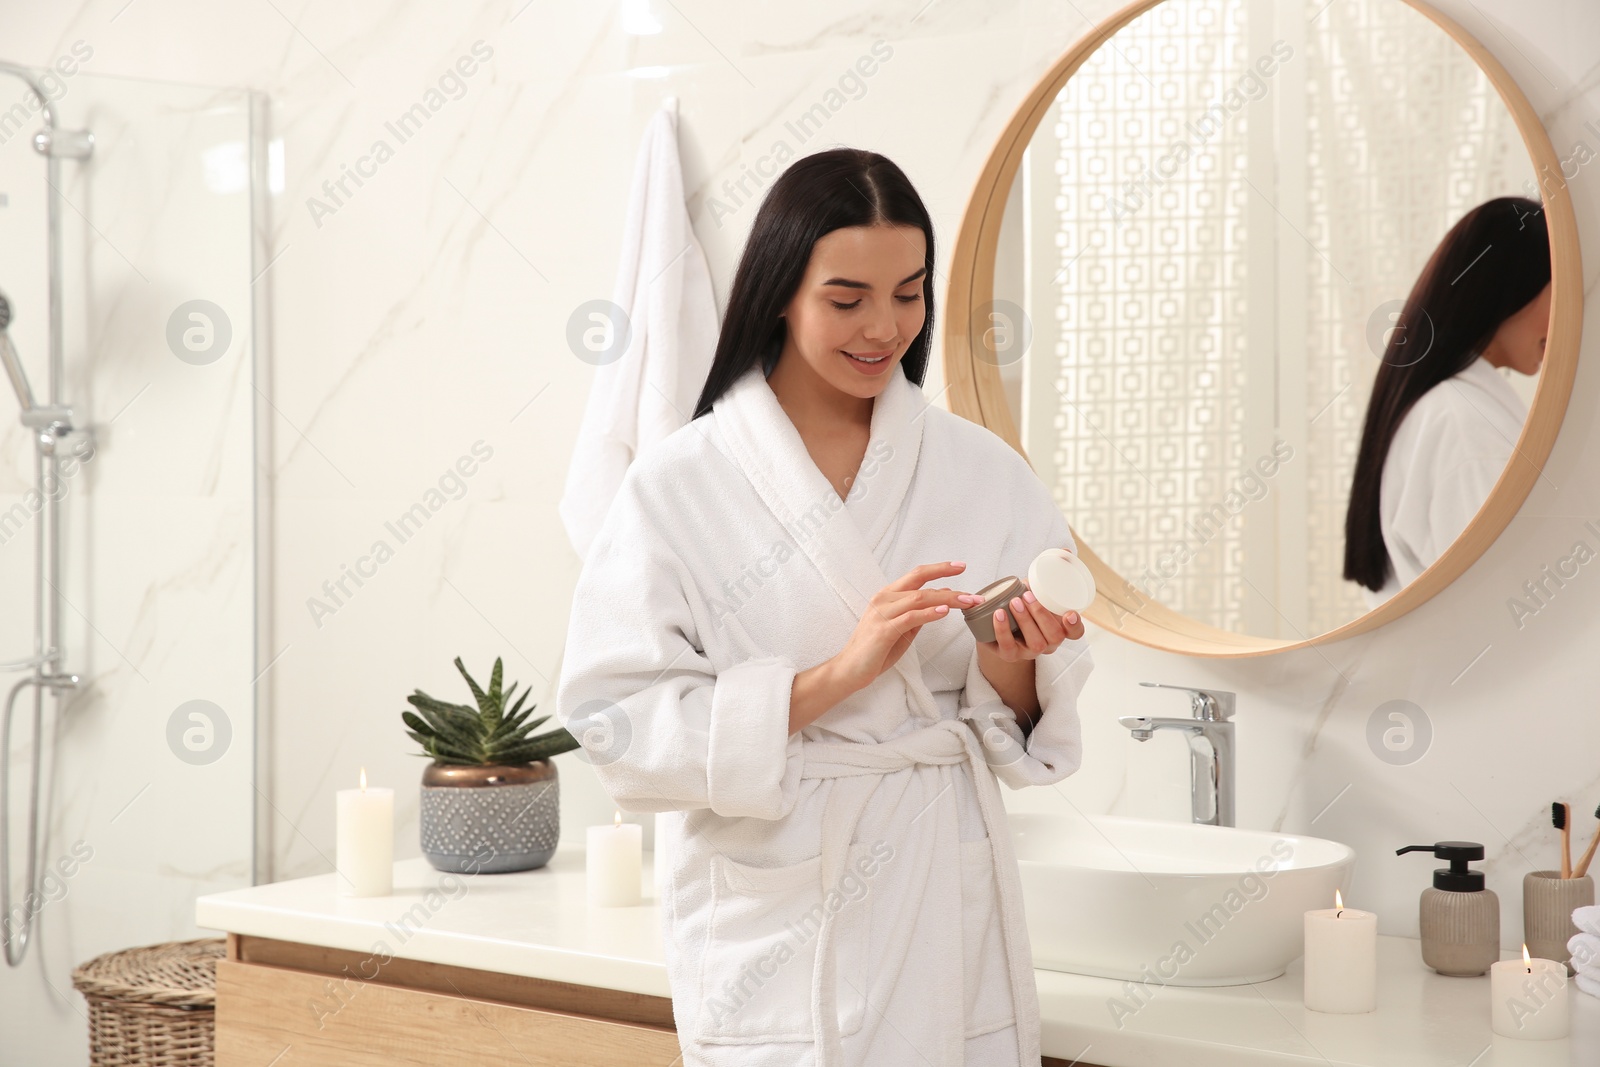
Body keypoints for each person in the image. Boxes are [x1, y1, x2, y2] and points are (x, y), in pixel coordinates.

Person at [555, 148, 1093, 1066]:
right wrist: (842, 672)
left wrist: (1014, 651)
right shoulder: (681, 483)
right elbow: (618, 720)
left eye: (909, 292)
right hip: (778, 910)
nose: (885, 327)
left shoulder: (980, 468)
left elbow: (1013, 717)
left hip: (937, 888)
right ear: (780, 293)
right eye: (847, 299)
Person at [1344, 196, 1550, 605]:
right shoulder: (1466, 425)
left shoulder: (1446, 407)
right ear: (1507, 287)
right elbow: (1509, 601)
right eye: (1559, 289)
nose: (1570, 313)